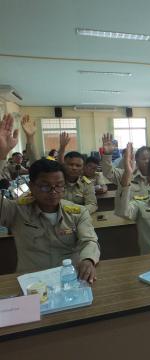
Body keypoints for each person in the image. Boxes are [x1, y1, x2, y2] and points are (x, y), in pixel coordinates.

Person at [0, 113, 100, 281]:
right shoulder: (16, 210)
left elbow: (90, 241)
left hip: (71, 280)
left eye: (59, 186)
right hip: (32, 283)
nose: (54, 191)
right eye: (45, 186)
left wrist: (89, 260)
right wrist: (1, 157)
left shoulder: (77, 212)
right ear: (31, 186)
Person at [54, 132, 98, 214]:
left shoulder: (86, 184)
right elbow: (59, 162)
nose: (74, 168)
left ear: (82, 168)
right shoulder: (56, 182)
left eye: (78, 165)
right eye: (71, 164)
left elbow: (92, 205)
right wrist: (62, 147)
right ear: (64, 165)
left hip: (79, 218)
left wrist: (76, 212)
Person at [101, 133, 150, 200]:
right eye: (144, 159)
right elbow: (109, 173)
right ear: (136, 160)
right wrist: (107, 154)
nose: (147, 161)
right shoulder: (126, 174)